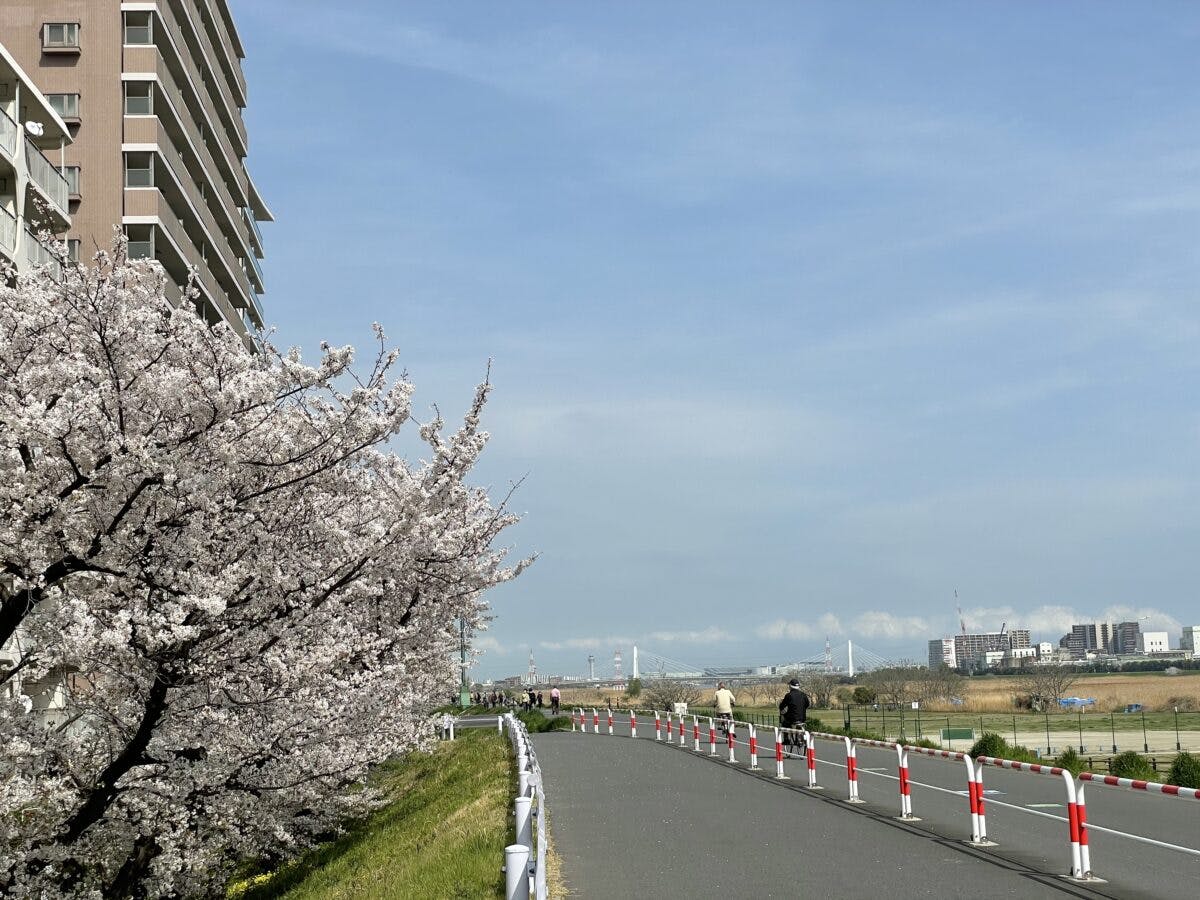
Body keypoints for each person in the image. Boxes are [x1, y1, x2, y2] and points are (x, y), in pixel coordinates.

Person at [778, 678, 810, 753]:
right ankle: (800, 739)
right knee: (799, 725)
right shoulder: (803, 695)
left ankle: (786, 739)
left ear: (790, 686)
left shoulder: (788, 695)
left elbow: (782, 706)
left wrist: (782, 710)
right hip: (802, 718)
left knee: (785, 723)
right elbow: (807, 704)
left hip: (791, 718)